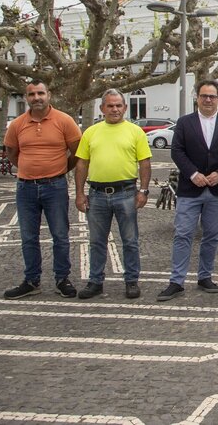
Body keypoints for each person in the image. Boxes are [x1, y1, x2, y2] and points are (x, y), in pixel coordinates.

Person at [158, 80, 218, 302]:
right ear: (197, 97)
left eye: (212, 96)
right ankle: (176, 281)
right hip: (190, 188)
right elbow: (177, 151)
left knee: (212, 235)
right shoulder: (185, 122)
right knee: (183, 233)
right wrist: (193, 174)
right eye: (204, 96)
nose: (208, 100)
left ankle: (205, 276)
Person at [2, 80, 82, 300]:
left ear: (49, 95)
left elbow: (77, 151)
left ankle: (62, 278)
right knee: (28, 237)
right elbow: (11, 152)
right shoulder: (18, 124)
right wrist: (29, 168)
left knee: (60, 235)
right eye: (32, 94)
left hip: (55, 187)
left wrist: (60, 169)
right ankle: (31, 280)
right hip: (25, 188)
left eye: (40, 93)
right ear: (26, 97)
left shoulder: (64, 121)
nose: (36, 97)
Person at [74, 89, 151, 300]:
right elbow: (81, 163)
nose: (115, 109)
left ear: (125, 107)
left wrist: (143, 191)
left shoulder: (136, 132)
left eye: (118, 105)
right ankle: (95, 281)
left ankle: (131, 281)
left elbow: (144, 163)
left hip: (126, 192)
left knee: (130, 240)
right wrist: (79, 194)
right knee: (96, 241)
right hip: (97, 194)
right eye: (110, 106)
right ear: (102, 109)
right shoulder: (91, 132)